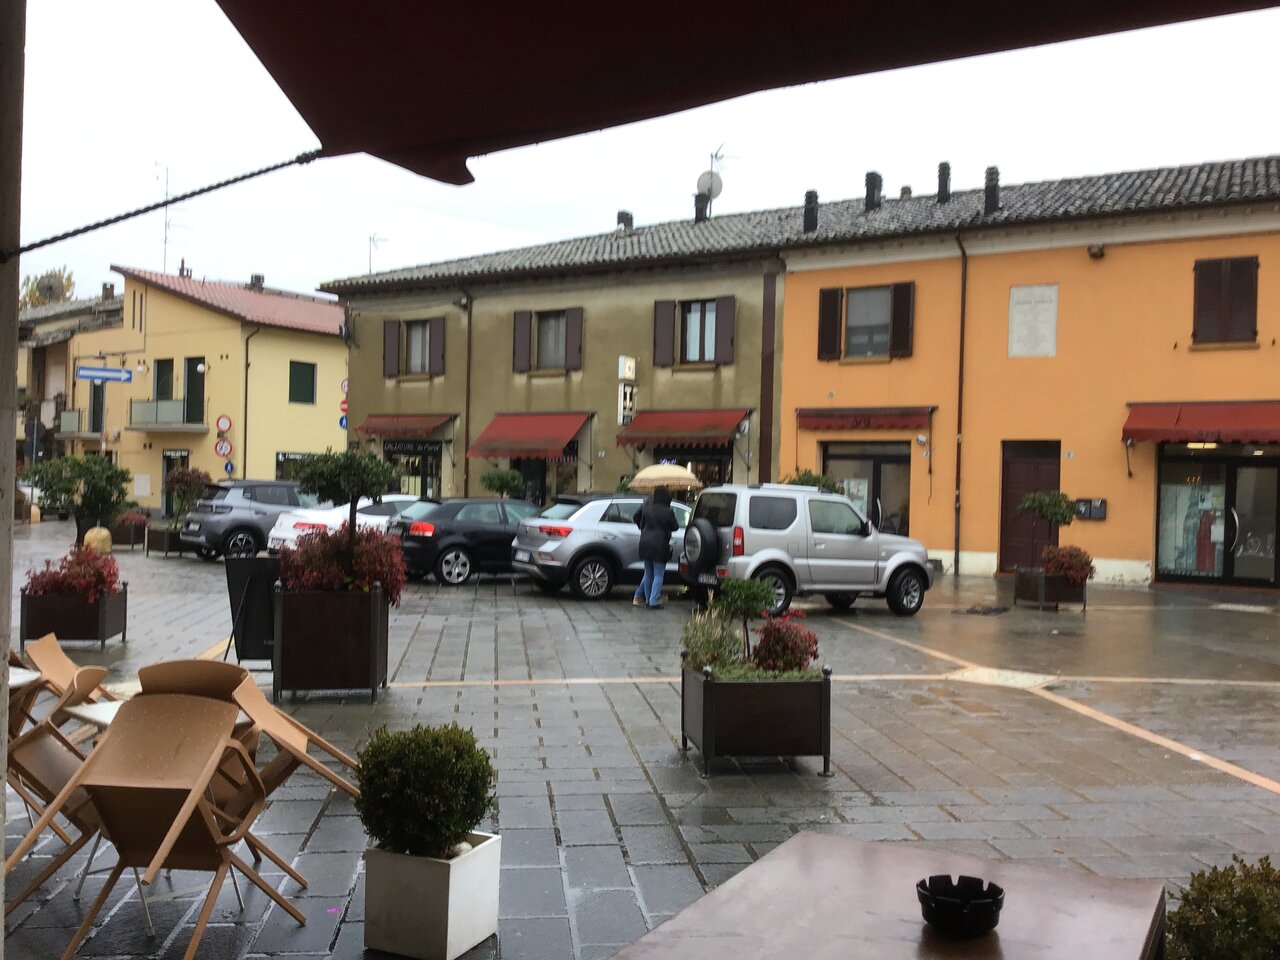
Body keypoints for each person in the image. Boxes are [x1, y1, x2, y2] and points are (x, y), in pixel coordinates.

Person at [634, 486, 679, 609]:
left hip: (645, 543)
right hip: (660, 544)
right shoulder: (668, 511)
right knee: (659, 574)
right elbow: (675, 527)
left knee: (648, 573)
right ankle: (654, 600)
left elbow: (641, 523)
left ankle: (648, 599)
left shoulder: (647, 508)